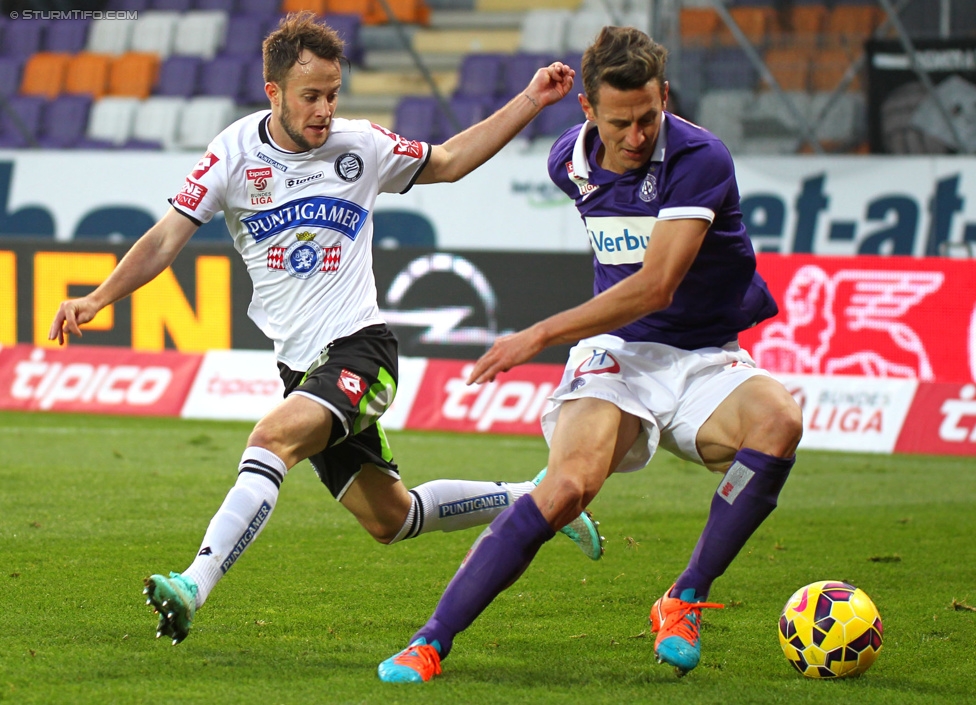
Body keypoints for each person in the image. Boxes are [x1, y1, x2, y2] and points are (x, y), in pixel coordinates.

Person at [47, 12, 604, 646]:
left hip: (362, 348)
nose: (324, 110)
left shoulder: (360, 145)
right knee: (392, 518)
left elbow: (448, 161)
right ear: (274, 93)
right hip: (301, 367)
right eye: (310, 96)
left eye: (333, 94)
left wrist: (532, 98)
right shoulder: (233, 153)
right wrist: (99, 297)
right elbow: (165, 239)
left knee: (271, 437)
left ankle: (191, 586)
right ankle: (535, 496)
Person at [378, 25, 803, 683]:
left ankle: (684, 597)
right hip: (617, 356)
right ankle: (430, 640)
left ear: (665, 95)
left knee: (780, 421)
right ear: (588, 111)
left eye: (647, 117)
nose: (635, 136)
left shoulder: (700, 159)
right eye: (618, 123)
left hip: (703, 357)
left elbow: (657, 284)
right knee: (568, 486)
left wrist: (539, 334)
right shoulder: (566, 162)